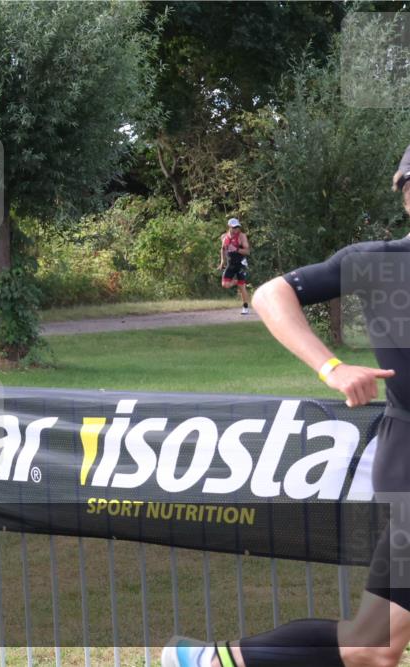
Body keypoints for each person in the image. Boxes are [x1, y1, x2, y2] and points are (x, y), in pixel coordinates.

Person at [163, 144, 410, 667]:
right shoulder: (379, 262)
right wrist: (332, 367)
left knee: (374, 645)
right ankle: (210, 661)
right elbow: (272, 294)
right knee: (373, 646)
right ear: (407, 196)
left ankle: (208, 661)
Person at [217, 217, 251, 315]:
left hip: (241, 264)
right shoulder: (224, 237)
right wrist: (222, 261)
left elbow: (247, 251)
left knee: (241, 287)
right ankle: (237, 282)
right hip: (231, 264)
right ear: (229, 227)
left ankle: (245, 307)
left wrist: (236, 249)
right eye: (234, 227)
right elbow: (222, 249)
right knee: (225, 284)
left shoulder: (241, 236)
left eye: (237, 227)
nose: (236, 229)